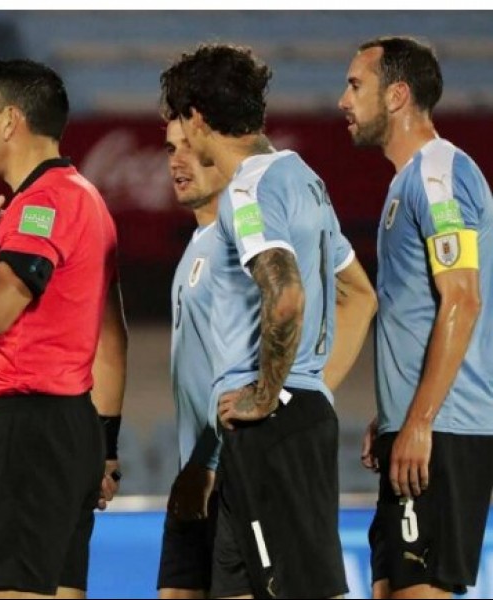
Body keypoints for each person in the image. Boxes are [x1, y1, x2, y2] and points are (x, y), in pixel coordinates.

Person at [160, 43, 376, 599]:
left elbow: (284, 294)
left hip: (270, 429)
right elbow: (358, 293)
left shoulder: (248, 190)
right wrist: (307, 388)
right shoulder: (302, 177)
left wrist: (267, 393)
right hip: (280, 424)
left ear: (197, 118)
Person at [0, 59, 127, 599]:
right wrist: (104, 447)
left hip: (27, 434)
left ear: (10, 121)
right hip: (74, 428)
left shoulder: (41, 204)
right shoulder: (89, 199)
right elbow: (112, 338)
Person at [339, 36, 493, 599]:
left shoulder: (438, 175)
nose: (343, 100)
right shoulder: (407, 183)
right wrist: (394, 410)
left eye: (356, 85)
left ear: (397, 95)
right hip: (417, 426)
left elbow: (463, 299)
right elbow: (422, 312)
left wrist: (421, 419)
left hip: (443, 431)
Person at [157, 120, 229, 599]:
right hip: (195, 474)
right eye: (169, 149)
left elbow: (249, 365)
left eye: (188, 146)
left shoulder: (238, 242)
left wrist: (207, 460)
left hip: (228, 473)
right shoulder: (197, 244)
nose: (176, 161)